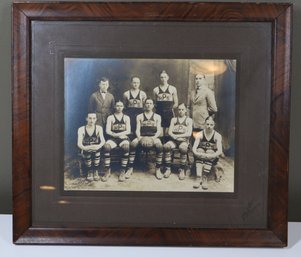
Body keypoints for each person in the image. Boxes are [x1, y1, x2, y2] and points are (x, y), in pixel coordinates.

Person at [128, 98, 164, 179]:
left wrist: (153, 138)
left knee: (159, 146)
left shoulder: (157, 116)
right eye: (147, 103)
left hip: (153, 137)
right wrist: (140, 138)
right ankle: (130, 168)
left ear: (153, 105)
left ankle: (157, 169)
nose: (148, 105)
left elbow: (158, 131)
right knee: (133, 144)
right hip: (142, 136)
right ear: (144, 105)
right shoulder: (139, 116)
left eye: (150, 103)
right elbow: (137, 130)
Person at [103, 101, 131, 182]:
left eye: (121, 106)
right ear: (115, 107)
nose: (119, 107)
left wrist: (119, 134)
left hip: (123, 138)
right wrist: (115, 135)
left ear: (123, 107)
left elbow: (128, 130)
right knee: (106, 147)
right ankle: (107, 170)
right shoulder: (110, 117)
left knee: (126, 147)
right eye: (117, 106)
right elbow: (107, 131)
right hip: (113, 138)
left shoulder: (126, 117)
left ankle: (122, 170)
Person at [163, 103, 193, 180]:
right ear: (177, 110)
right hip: (174, 140)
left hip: (184, 141)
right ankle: (168, 168)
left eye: (182, 109)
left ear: (186, 110)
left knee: (183, 148)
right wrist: (175, 138)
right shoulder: (174, 119)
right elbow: (169, 132)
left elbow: (189, 133)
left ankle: (182, 169)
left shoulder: (189, 120)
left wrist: (178, 137)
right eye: (179, 109)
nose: (181, 111)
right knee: (166, 147)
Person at [192, 116, 223, 190]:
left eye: (211, 125)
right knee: (199, 150)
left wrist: (212, 155)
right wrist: (197, 154)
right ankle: (198, 177)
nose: (209, 126)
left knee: (210, 151)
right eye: (207, 124)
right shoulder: (199, 134)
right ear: (204, 124)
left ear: (214, 125)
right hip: (201, 153)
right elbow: (194, 148)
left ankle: (204, 177)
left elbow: (219, 150)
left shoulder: (217, 135)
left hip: (211, 155)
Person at [77, 112, 106, 181]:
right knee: (87, 151)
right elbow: (79, 143)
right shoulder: (81, 129)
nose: (92, 120)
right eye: (90, 118)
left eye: (93, 118)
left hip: (96, 148)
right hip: (86, 148)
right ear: (86, 119)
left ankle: (95, 171)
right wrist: (85, 148)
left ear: (96, 119)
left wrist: (98, 146)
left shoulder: (99, 128)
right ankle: (89, 171)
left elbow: (103, 141)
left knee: (97, 151)